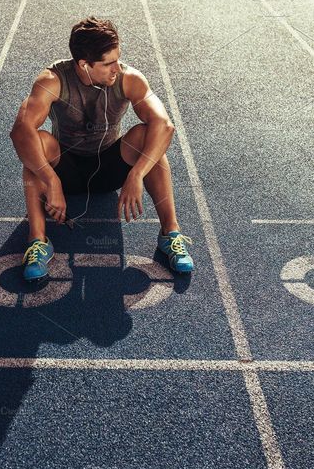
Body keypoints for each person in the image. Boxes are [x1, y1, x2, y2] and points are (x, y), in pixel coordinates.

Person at [10, 16, 194, 281]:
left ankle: (170, 233)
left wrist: (137, 174)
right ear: (84, 65)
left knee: (148, 137)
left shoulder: (129, 79)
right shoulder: (52, 80)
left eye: (118, 59)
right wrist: (51, 180)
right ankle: (37, 241)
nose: (116, 68)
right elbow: (20, 130)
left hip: (109, 165)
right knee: (36, 143)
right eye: (108, 63)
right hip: (65, 169)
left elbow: (165, 125)